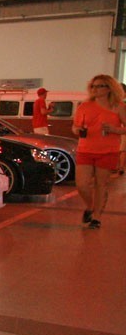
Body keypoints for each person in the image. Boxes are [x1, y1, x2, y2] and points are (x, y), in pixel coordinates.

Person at [72, 75, 126, 229]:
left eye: (100, 86)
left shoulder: (118, 106)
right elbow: (75, 127)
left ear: (109, 88)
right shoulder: (84, 106)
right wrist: (78, 130)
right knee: (82, 184)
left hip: (108, 150)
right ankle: (90, 206)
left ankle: (96, 217)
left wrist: (114, 129)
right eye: (93, 86)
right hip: (85, 149)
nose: (95, 89)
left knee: (101, 184)